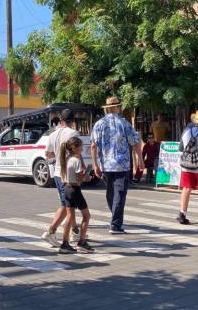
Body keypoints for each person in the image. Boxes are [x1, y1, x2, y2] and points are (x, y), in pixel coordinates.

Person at [90, 97, 143, 234]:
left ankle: (115, 216)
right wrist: (141, 160)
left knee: (110, 193)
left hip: (105, 165)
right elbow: (135, 142)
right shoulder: (124, 123)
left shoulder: (99, 124)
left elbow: (93, 146)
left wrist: (95, 164)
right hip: (122, 164)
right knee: (119, 193)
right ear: (117, 108)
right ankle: (115, 224)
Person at [42, 109, 80, 247]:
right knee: (66, 206)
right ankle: (51, 231)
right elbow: (77, 153)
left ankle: (74, 231)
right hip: (68, 174)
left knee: (69, 204)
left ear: (61, 120)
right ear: (73, 121)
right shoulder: (73, 133)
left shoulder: (53, 134)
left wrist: (58, 157)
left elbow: (48, 153)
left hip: (57, 174)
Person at [58, 137, 94, 254]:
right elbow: (79, 179)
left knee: (69, 217)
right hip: (75, 189)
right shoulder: (76, 160)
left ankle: (65, 244)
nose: (82, 149)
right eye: (81, 147)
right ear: (74, 147)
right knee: (87, 216)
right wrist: (87, 175)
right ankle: (82, 242)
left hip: (67, 189)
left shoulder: (67, 159)